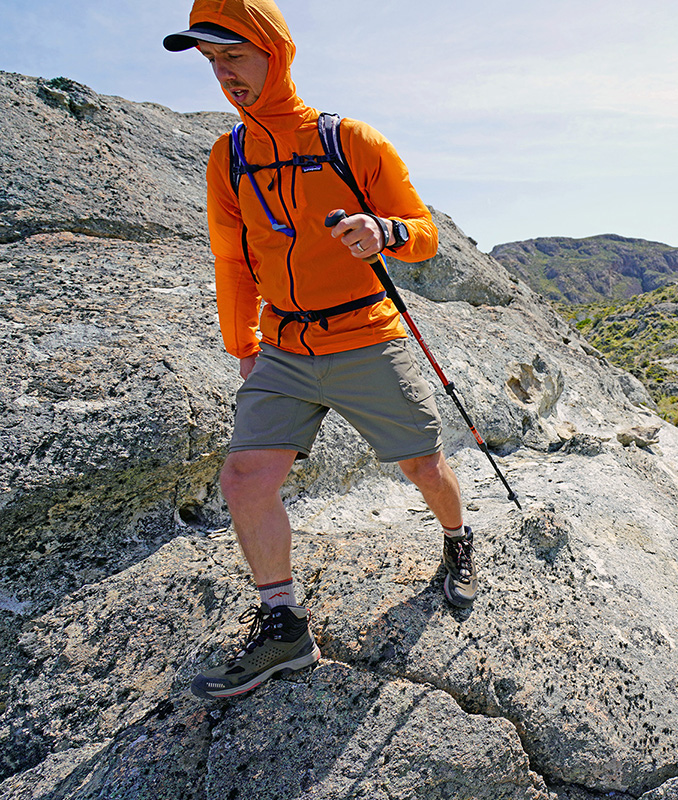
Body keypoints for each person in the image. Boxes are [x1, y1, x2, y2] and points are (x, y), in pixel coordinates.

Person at [164, 0, 478, 701]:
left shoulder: (350, 139)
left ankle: (458, 542)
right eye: (213, 63)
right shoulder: (229, 155)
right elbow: (231, 257)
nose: (223, 75)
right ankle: (283, 628)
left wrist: (384, 231)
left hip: (367, 333)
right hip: (283, 345)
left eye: (234, 56)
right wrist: (242, 343)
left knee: (424, 465)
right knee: (245, 479)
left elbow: (424, 232)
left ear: (275, 53)